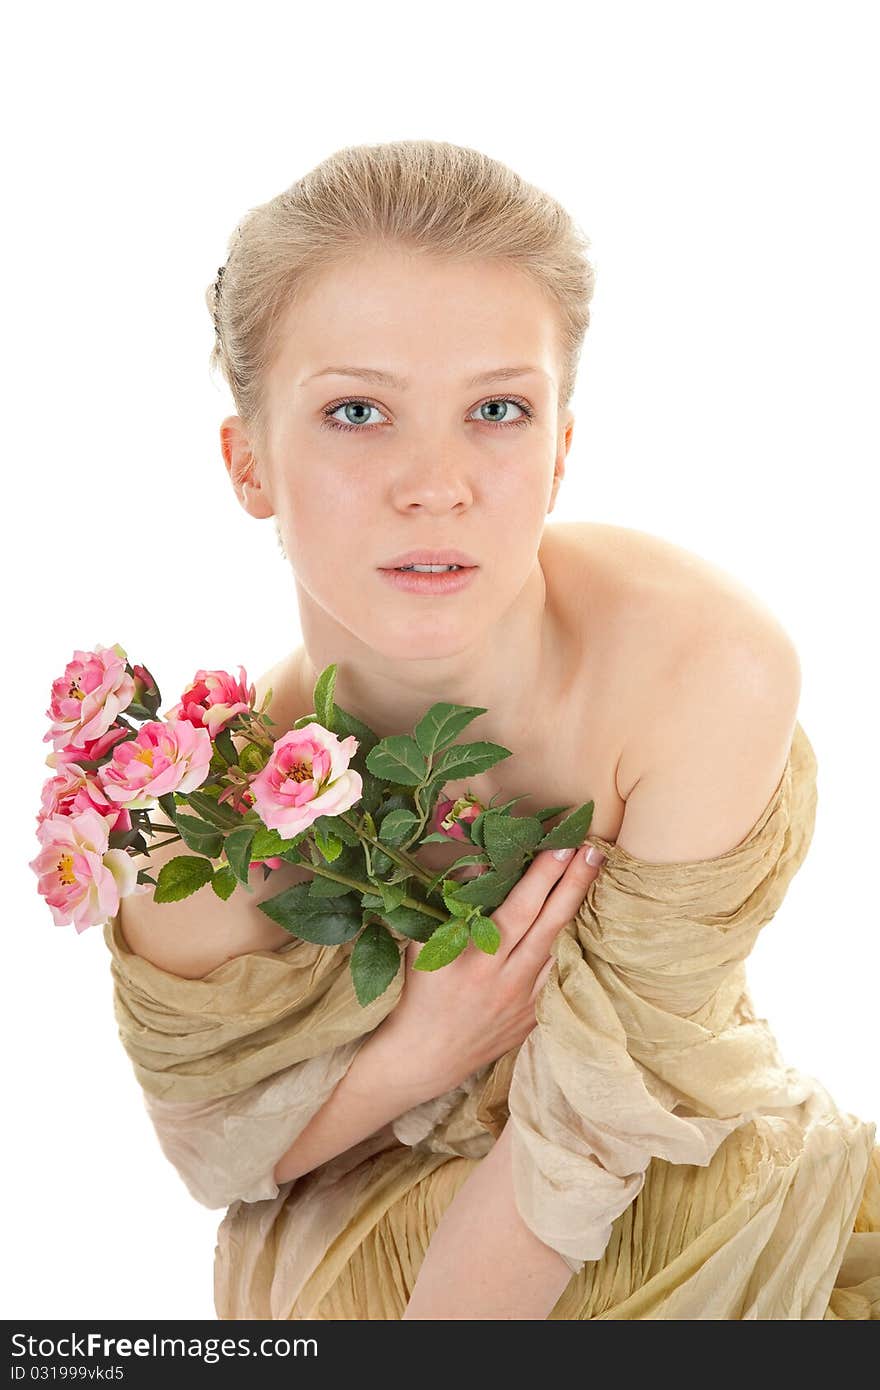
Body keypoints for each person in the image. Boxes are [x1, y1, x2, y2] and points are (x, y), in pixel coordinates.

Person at [105, 138, 879, 1320]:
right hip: (339, 1260)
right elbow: (215, 1156)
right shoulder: (198, 814)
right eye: (357, 410)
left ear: (561, 445)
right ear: (247, 459)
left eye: (498, 409)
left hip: (681, 1202)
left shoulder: (698, 663)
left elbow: (596, 1120)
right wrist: (418, 1046)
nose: (436, 483)